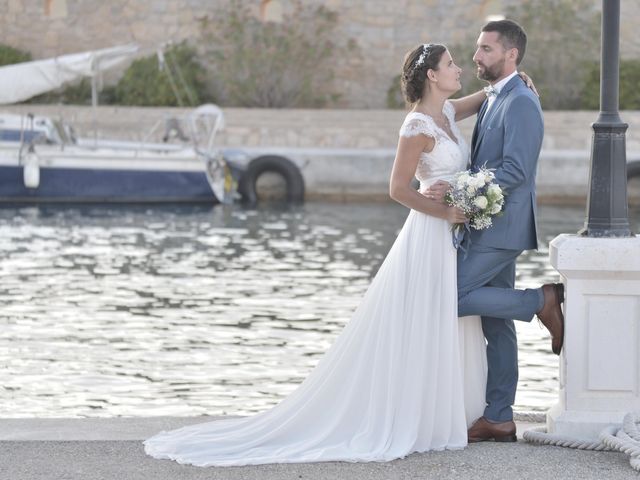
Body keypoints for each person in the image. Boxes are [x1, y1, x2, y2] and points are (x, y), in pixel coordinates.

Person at [144, 39, 537, 467]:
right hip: (430, 230)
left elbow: (482, 97)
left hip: (451, 234)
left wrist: (512, 84)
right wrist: (448, 212)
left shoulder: (445, 111)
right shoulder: (416, 127)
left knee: (443, 312)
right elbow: (397, 190)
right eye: (451, 64)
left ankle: (448, 407)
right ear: (432, 75)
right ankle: (530, 312)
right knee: (436, 308)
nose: (460, 67)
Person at [425, 19, 564, 444]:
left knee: (454, 295)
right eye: (476, 48)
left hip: (503, 226)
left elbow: (516, 172)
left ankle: (543, 300)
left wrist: (460, 193)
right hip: (486, 222)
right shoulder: (495, 96)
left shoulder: (521, 101)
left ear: (511, 54)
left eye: (486, 49)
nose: (476, 56)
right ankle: (500, 417)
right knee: (495, 320)